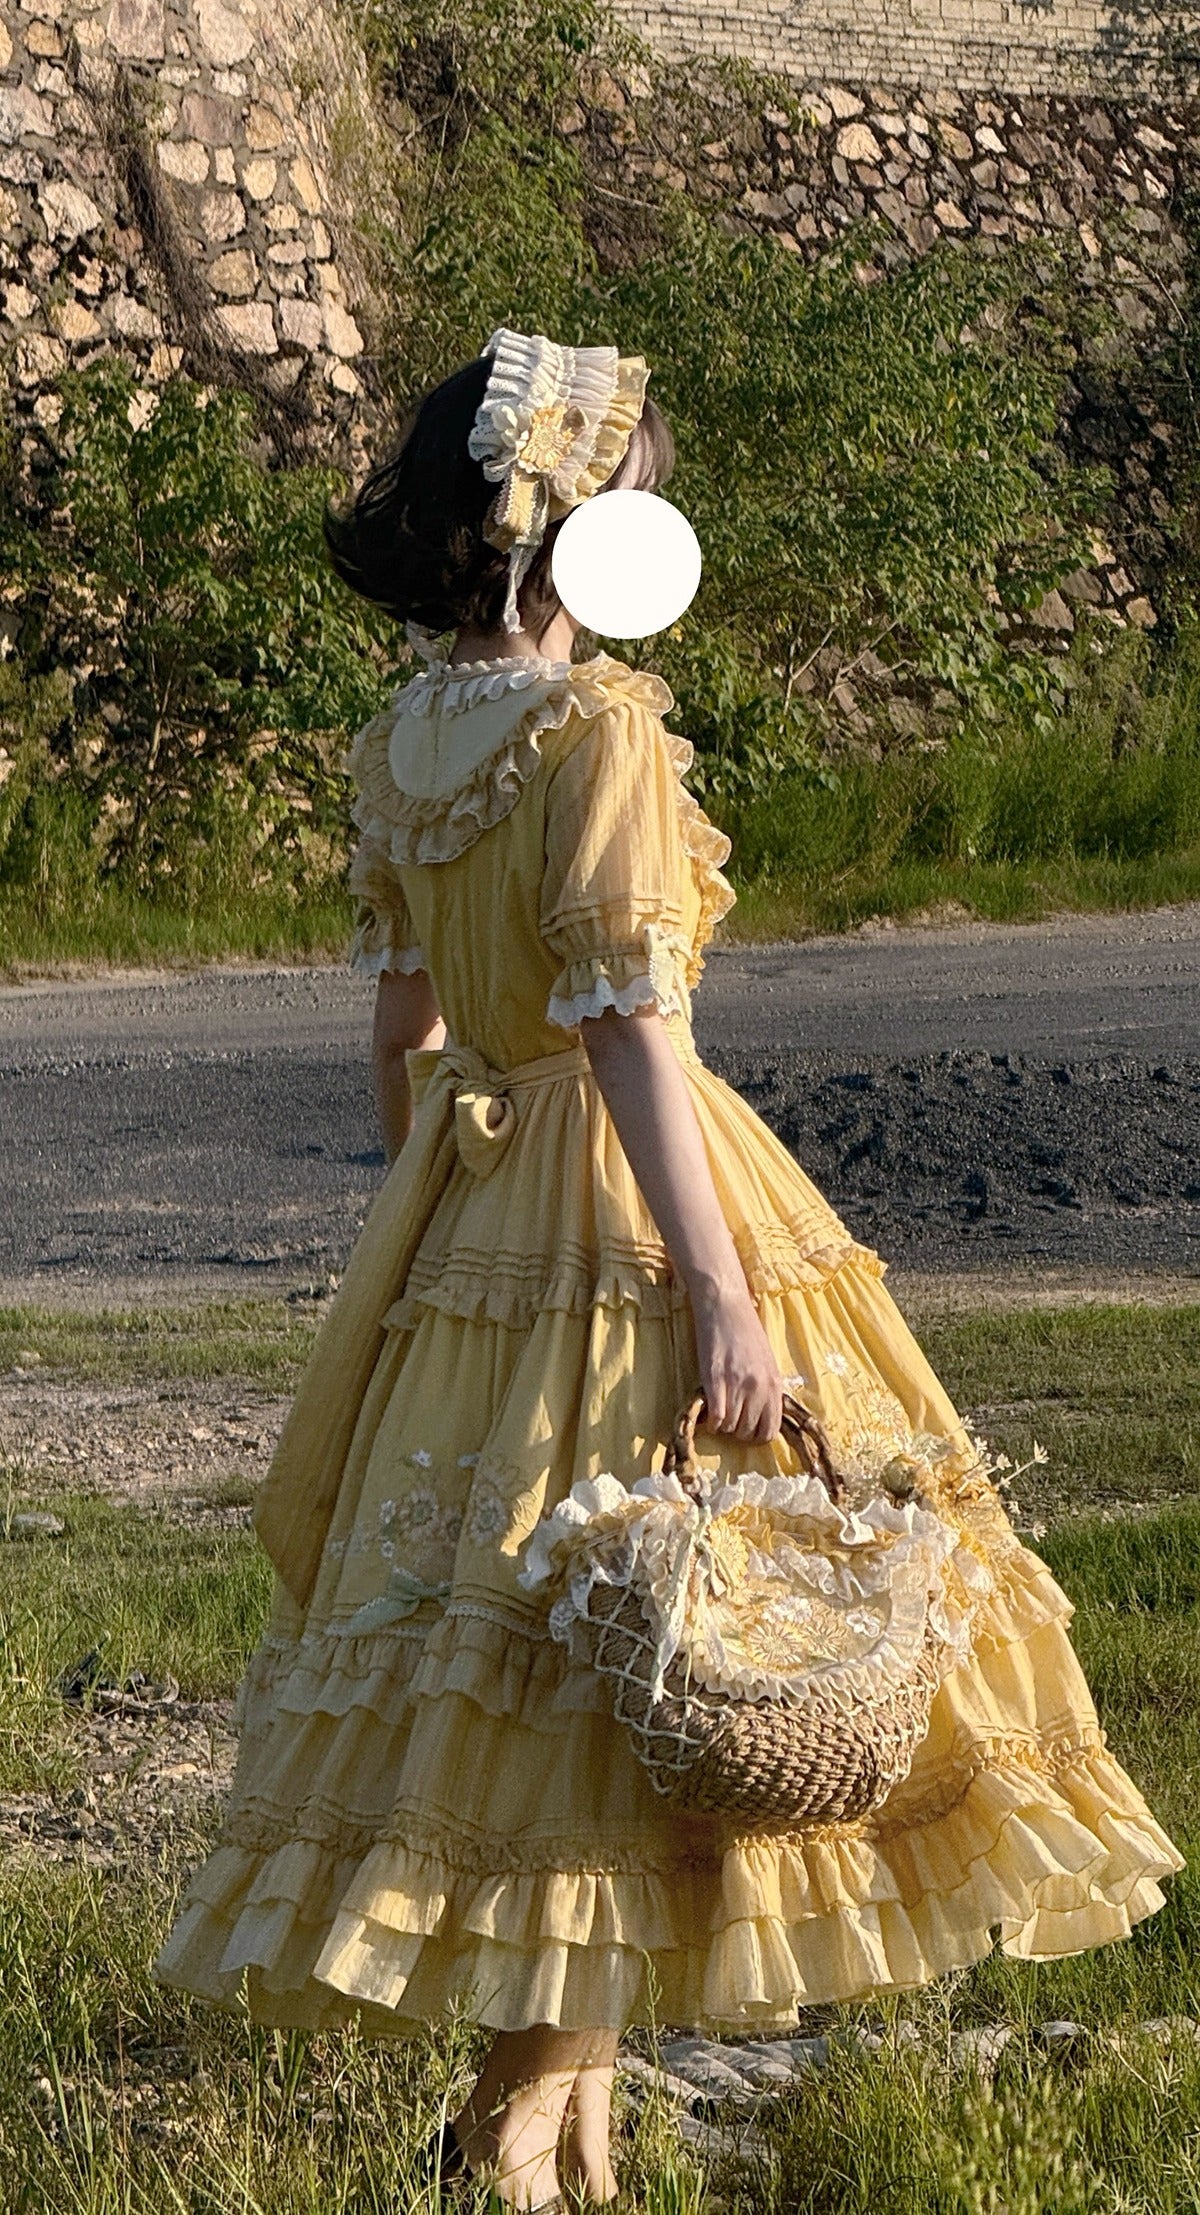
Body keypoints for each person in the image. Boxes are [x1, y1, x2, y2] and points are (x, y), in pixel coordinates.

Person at [154, 327, 1185, 2212]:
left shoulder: (407, 736)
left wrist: (435, 1217)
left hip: (474, 1192)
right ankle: (513, 2145)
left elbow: (402, 1032)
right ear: (568, 521)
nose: (652, 517)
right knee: (651, 1640)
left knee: (566, 1642)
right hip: (632, 1195)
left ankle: (572, 2153)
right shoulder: (598, 727)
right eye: (633, 489)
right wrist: (721, 1295)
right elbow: (633, 1027)